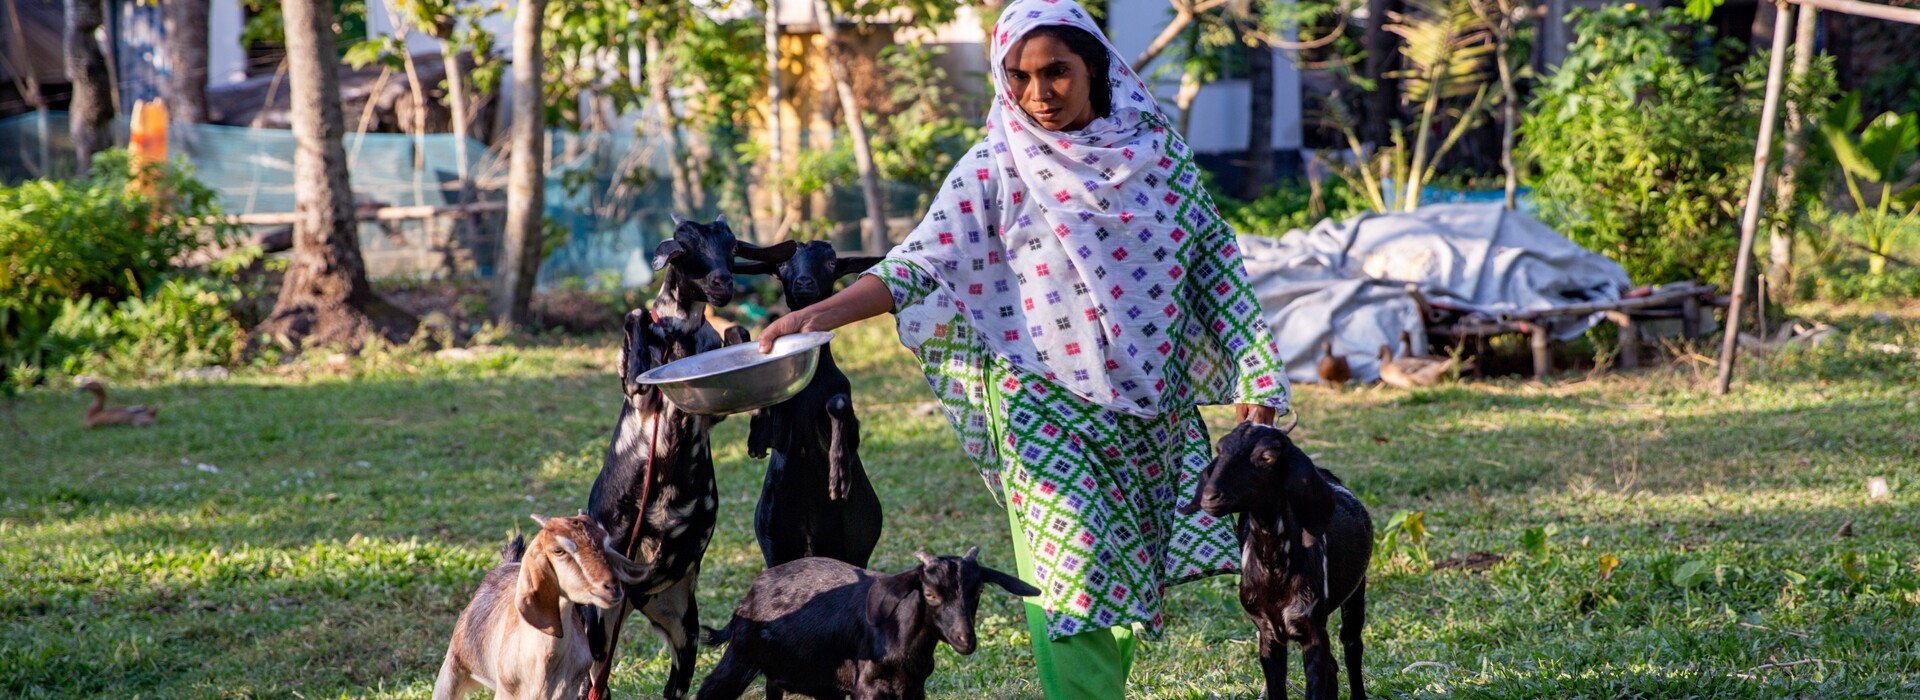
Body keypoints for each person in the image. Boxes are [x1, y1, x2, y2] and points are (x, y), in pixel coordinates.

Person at [756, 0, 1291, 695]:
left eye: (1057, 73)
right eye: (1019, 76)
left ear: (1095, 69)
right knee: (1071, 581)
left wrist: (1258, 368)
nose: (1038, 94)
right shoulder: (997, 164)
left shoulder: (1161, 159)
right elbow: (920, 262)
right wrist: (823, 313)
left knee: (1119, 580)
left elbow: (1215, 263)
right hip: (1039, 407)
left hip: (1148, 408)